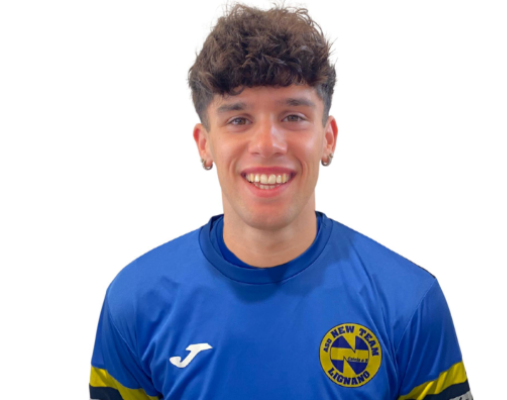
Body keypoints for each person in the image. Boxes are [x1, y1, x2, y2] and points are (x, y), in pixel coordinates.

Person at [89, 3, 472, 399]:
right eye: (238, 120)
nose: (267, 144)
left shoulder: (410, 303)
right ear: (205, 144)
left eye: (293, 116)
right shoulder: (134, 304)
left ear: (328, 138)